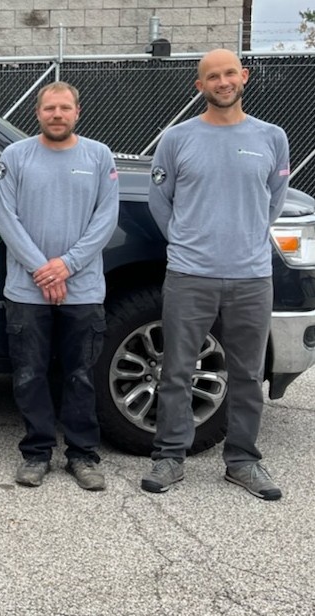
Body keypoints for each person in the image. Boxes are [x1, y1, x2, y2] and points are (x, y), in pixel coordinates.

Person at [142, 49, 290, 500]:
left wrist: (243, 238)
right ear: (199, 85)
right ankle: (169, 457)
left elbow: (274, 199)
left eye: (229, 73)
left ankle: (242, 462)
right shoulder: (177, 138)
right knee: (176, 370)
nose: (222, 82)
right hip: (190, 274)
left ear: (243, 77)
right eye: (212, 76)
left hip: (251, 276)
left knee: (247, 373)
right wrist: (188, 243)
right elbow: (159, 200)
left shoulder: (272, 137)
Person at [0, 81, 120, 491]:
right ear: (38, 112)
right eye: (50, 108)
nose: (57, 115)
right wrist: (41, 270)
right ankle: (37, 452)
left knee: (80, 375)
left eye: (65, 108)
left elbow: (105, 220)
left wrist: (65, 267)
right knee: (29, 374)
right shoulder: (16, 156)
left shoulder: (99, 156)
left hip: (82, 290)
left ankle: (83, 455)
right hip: (26, 291)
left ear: (77, 113)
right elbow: (5, 219)